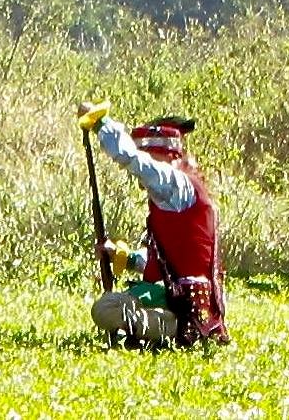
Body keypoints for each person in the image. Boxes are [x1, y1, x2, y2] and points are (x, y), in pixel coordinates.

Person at [77, 100, 229, 348]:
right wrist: (126, 258)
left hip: (185, 310)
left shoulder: (175, 183)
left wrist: (101, 123)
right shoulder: (175, 195)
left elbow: (131, 158)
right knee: (110, 306)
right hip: (173, 299)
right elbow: (169, 264)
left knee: (105, 309)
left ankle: (166, 332)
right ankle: (153, 328)